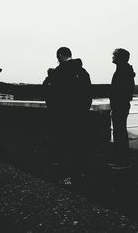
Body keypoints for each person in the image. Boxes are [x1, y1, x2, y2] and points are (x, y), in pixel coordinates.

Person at [45, 47, 92, 185]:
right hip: (80, 115)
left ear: (59, 56)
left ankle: (66, 177)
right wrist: (83, 111)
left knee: (63, 146)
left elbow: (50, 93)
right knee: (78, 145)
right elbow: (88, 94)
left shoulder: (58, 72)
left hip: (62, 116)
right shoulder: (83, 71)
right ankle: (80, 173)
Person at [110, 48, 136, 167]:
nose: (112, 56)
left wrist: (114, 99)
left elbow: (121, 90)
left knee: (119, 132)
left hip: (120, 105)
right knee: (120, 132)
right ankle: (121, 159)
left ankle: (121, 160)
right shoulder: (124, 70)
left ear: (119, 57)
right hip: (122, 105)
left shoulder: (122, 71)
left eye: (114, 55)